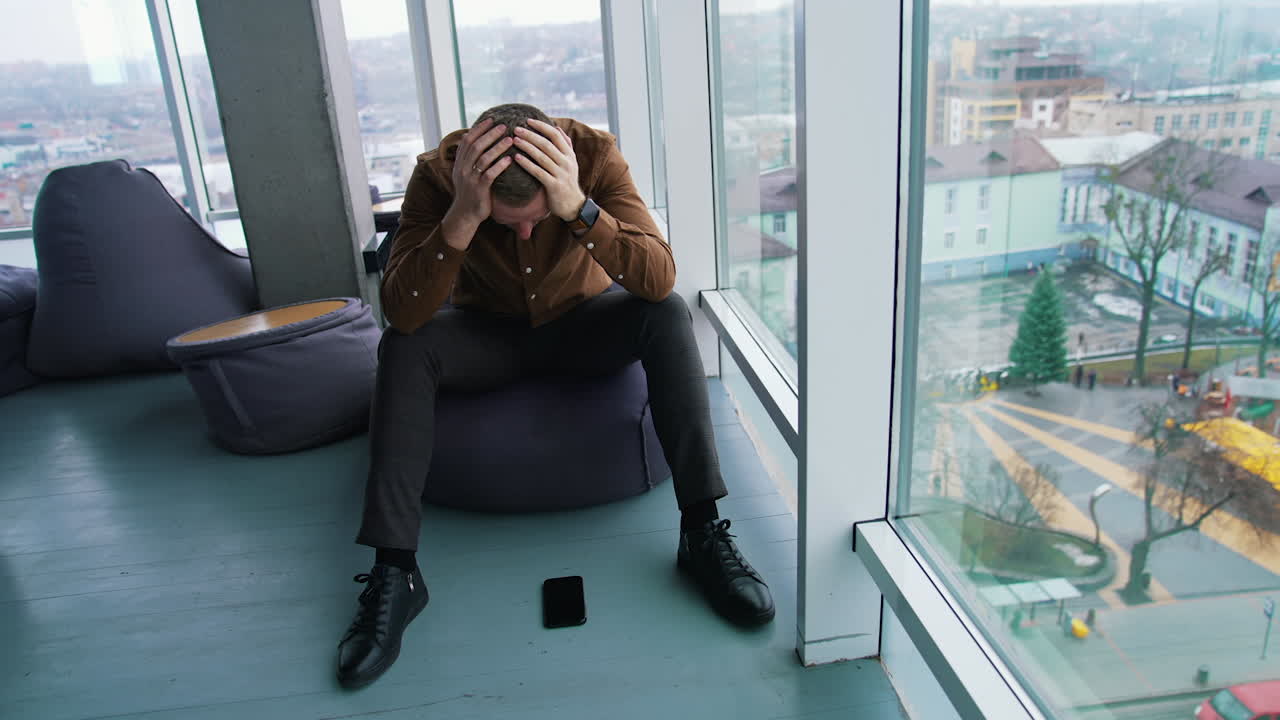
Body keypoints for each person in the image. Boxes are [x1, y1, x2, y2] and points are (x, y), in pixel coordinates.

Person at [335, 103, 775, 689]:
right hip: (486, 334)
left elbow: (659, 277)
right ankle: (396, 572)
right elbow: (405, 309)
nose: (523, 232)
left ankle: (701, 532)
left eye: (537, 218)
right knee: (404, 346)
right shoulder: (439, 176)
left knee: (666, 315)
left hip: (583, 323)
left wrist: (579, 210)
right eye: (506, 220)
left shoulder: (594, 156)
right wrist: (464, 217)